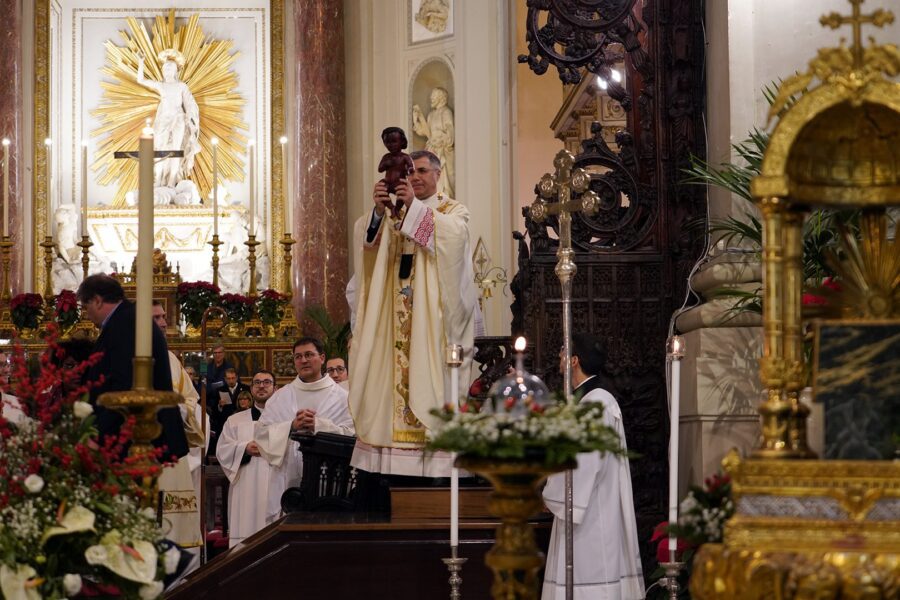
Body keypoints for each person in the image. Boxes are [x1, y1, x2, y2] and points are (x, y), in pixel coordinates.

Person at [348, 149, 477, 477]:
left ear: (437, 173)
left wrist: (411, 210)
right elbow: (367, 250)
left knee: (427, 378)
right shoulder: (393, 210)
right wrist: (379, 213)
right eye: (410, 171)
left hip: (431, 327)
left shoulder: (453, 210)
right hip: (391, 325)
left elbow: (454, 239)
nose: (415, 177)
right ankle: (387, 465)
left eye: (421, 171)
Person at [541, 333, 644, 600]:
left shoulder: (596, 404)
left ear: (575, 360)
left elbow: (582, 465)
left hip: (591, 519)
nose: (559, 359)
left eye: (563, 353)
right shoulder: (590, 401)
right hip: (584, 511)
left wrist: (551, 493)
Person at [77, 274, 188, 461]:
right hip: (133, 433)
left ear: (97, 300)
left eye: (85, 307)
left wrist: (99, 435)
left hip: (132, 437)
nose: (87, 314)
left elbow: (125, 384)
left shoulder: (125, 324)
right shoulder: (128, 319)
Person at [257, 337, 355, 522]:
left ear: (322, 358)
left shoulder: (343, 398)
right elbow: (261, 435)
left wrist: (319, 426)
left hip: (330, 480)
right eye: (298, 356)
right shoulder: (280, 397)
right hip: (286, 481)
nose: (303, 360)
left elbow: (354, 436)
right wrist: (291, 426)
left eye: (309, 355)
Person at [152, 300, 206, 553]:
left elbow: (191, 398)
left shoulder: (171, 359)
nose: (163, 323)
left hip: (172, 448)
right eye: (155, 319)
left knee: (175, 538)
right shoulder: (125, 355)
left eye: (163, 317)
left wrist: (180, 409)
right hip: (145, 450)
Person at [216, 369, 278, 547]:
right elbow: (222, 450)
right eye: (257, 383)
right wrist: (244, 449)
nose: (261, 386)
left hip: (276, 482)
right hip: (246, 486)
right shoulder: (235, 420)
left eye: (267, 382)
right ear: (251, 389)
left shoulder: (286, 418)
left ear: (275, 388)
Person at [136, 49, 201, 188]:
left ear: (175, 70)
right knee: (160, 149)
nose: (167, 70)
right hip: (164, 120)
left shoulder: (181, 86)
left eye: (170, 68)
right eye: (165, 68)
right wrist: (141, 62)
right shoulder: (161, 85)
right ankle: (158, 180)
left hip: (178, 119)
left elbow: (189, 102)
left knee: (176, 150)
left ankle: (172, 181)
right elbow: (140, 80)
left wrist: (191, 117)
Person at [412, 88, 455, 197]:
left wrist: (444, 139)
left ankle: (443, 198)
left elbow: (450, 129)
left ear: (441, 98)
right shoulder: (431, 115)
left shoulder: (446, 112)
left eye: (434, 96)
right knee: (429, 173)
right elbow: (427, 133)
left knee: (441, 174)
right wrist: (417, 119)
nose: (431, 98)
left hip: (441, 149)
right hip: (431, 149)